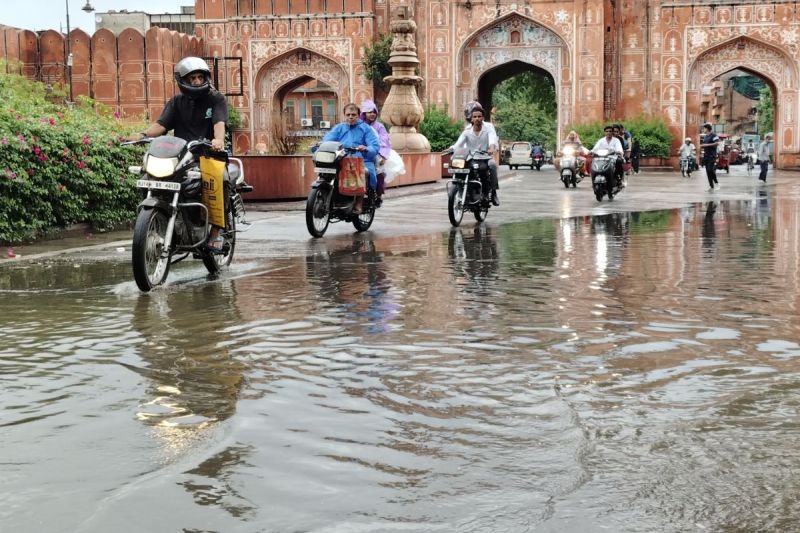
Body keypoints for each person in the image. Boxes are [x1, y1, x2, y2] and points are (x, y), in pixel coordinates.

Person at [130, 56, 229, 250]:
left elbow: (219, 124)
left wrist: (217, 140)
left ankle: (216, 232)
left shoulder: (216, 98)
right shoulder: (176, 102)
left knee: (219, 179)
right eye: (192, 78)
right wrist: (142, 134)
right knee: (149, 176)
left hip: (208, 154)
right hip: (181, 156)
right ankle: (159, 221)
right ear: (182, 81)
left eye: (200, 77)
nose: (197, 81)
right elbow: (161, 125)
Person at [320, 102, 380, 214]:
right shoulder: (339, 128)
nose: (350, 117)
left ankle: (359, 202)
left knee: (363, 172)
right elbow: (328, 139)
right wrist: (321, 144)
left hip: (362, 159)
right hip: (341, 157)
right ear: (344, 115)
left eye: (353, 114)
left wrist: (366, 148)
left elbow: (374, 145)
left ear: (358, 115)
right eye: (348, 115)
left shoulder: (366, 128)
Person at [451, 107, 495, 203]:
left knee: (489, 167)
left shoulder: (488, 129)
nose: (477, 118)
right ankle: (467, 192)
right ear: (471, 119)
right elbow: (458, 144)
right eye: (475, 117)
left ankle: (489, 193)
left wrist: (491, 148)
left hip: (485, 157)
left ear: (483, 117)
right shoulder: (467, 132)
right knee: (463, 170)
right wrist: (451, 149)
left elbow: (492, 140)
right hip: (471, 158)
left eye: (479, 116)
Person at [463, 101, 500, 205]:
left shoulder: (488, 126)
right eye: (471, 115)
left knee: (492, 165)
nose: (475, 118)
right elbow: (464, 143)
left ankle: (493, 192)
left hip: (486, 155)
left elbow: (492, 138)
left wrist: (491, 147)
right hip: (473, 156)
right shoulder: (467, 129)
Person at [359, 99, 391, 207]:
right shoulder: (358, 125)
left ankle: (378, 195)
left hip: (375, 154)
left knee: (379, 173)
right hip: (358, 153)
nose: (372, 114)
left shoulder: (379, 126)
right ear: (364, 113)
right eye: (369, 112)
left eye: (374, 112)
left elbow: (384, 141)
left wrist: (382, 156)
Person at [699, 123, 721, 191]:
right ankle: (711, 186)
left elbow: (717, 143)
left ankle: (717, 183)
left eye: (704, 128)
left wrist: (707, 145)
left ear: (707, 128)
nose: (703, 130)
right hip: (706, 156)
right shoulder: (705, 136)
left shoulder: (714, 135)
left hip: (712, 155)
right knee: (707, 171)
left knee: (710, 170)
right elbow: (703, 145)